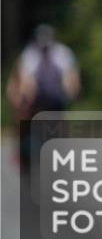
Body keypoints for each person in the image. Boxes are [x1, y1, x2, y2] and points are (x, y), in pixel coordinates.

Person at [9, 24, 80, 172]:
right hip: (36, 96)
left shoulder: (62, 53)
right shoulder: (29, 54)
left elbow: (69, 75)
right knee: (25, 124)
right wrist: (25, 99)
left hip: (55, 94)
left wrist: (71, 91)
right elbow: (27, 79)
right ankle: (23, 156)